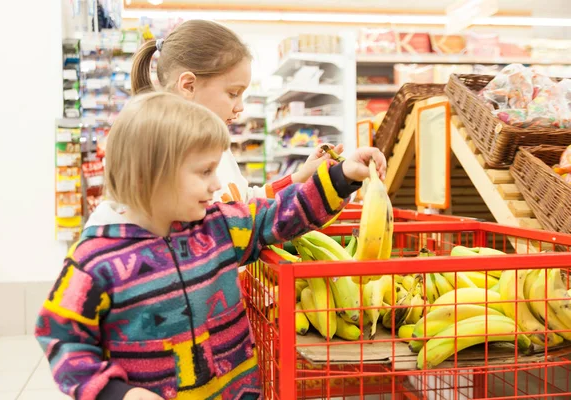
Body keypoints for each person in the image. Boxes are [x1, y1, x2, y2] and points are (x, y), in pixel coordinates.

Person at [35, 92, 386, 400]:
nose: (216, 183)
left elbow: (281, 215)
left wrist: (342, 177)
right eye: (204, 172)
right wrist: (115, 392)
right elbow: (60, 337)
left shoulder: (218, 226)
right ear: (150, 175)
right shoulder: (96, 260)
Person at [130, 19, 343, 203]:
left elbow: (245, 199)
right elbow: (228, 221)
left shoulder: (216, 147)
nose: (240, 106)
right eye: (233, 93)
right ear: (188, 86)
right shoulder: (165, 155)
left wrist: (301, 177)